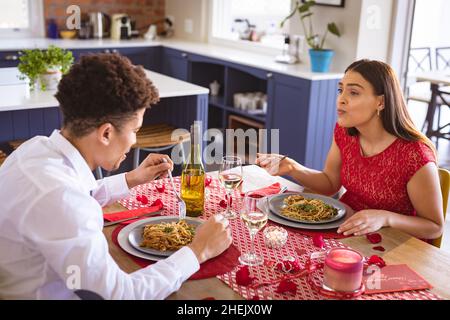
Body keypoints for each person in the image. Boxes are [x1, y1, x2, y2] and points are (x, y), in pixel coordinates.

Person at [0, 54, 232, 300]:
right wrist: (198, 251)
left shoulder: (36, 149)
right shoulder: (62, 199)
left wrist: (132, 178)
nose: (134, 141)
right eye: (135, 130)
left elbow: (73, 196)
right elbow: (120, 295)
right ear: (106, 133)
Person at [257, 59, 444, 241]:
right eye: (341, 90)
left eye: (353, 92)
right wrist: (292, 167)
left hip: (394, 245)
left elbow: (434, 227)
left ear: (381, 102)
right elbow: (330, 183)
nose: (341, 99)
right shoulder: (345, 133)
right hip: (346, 230)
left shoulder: (414, 154)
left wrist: (385, 218)